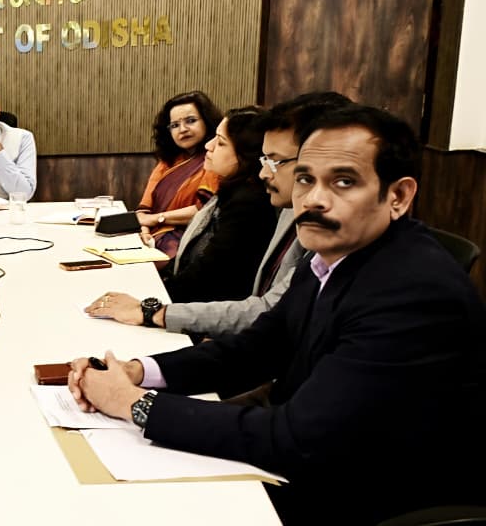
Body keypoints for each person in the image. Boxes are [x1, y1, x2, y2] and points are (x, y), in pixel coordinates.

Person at [67, 105, 486, 524]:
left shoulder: (414, 292)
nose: (314, 199)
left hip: (369, 495)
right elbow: (256, 348)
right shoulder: (329, 256)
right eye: (305, 179)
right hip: (317, 461)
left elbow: (297, 438)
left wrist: (133, 404)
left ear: (398, 197)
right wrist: (139, 371)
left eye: (343, 181)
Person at [87, 93, 351, 334]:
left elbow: (252, 302)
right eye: (175, 125)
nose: (209, 147)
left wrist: (152, 307)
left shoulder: (256, 202)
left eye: (346, 181)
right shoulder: (275, 204)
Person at [148, 107, 278, 304]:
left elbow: (211, 274)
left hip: (210, 307)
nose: (208, 146)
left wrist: (152, 301)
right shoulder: (232, 190)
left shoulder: (248, 202)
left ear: (246, 155)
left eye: (221, 142)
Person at [135, 91, 223, 257]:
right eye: (175, 125)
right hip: (153, 239)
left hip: (191, 242)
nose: (182, 129)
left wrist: (156, 219)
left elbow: (205, 210)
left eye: (191, 121)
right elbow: (144, 210)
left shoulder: (215, 159)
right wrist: (145, 231)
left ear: (207, 121)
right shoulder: (167, 162)